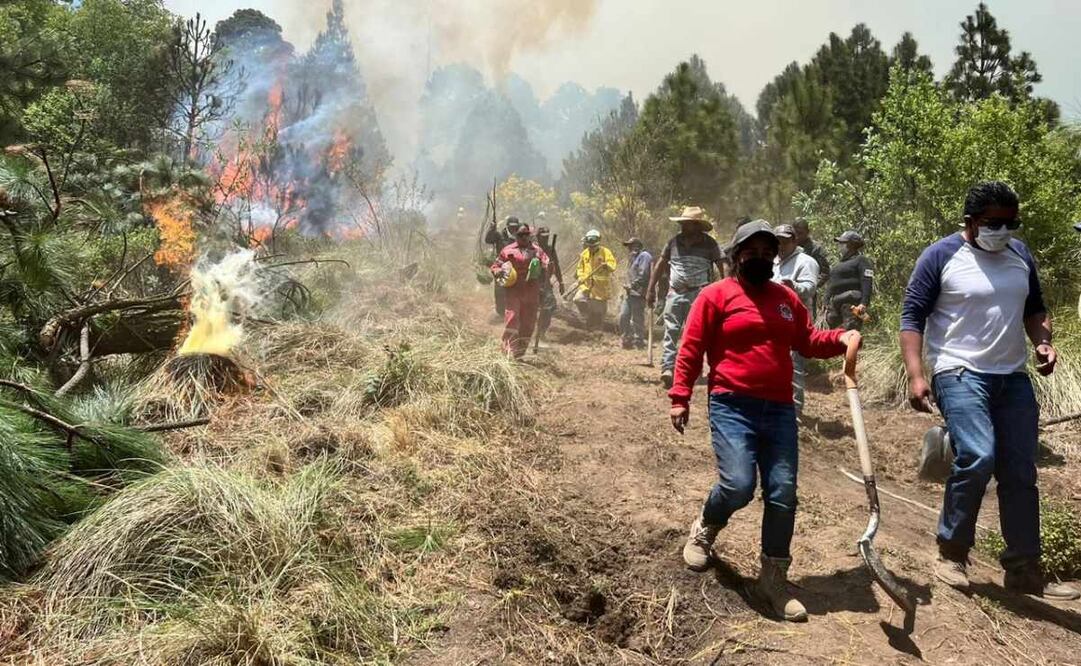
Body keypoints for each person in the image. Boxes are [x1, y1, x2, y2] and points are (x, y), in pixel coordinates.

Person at [669, 220, 858, 622]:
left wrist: (840, 338)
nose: (759, 258)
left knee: (782, 492)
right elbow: (691, 347)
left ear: (775, 257)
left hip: (778, 409)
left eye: (766, 253)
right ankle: (705, 525)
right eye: (750, 252)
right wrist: (679, 397)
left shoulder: (785, 298)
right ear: (736, 256)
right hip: (731, 404)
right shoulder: (715, 295)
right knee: (738, 485)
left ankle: (772, 580)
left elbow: (807, 340)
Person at [900, 181, 1079, 600]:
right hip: (959, 371)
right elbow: (912, 316)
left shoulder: (1020, 255)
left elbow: (1035, 309)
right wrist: (916, 373)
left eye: (1010, 222)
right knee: (978, 456)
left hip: (1011, 376)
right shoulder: (941, 256)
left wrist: (1043, 341)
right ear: (971, 221)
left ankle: (1024, 570)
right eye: (994, 223)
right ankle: (951, 553)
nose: (1003, 229)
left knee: (1019, 469)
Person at [646, 206, 725, 388]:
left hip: (700, 294)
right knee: (671, 331)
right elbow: (660, 265)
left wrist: (726, 290)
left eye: (687, 224)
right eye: (682, 223)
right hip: (675, 293)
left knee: (696, 335)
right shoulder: (673, 242)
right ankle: (668, 368)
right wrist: (651, 289)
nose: (683, 226)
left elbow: (722, 265)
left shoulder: (710, 244)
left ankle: (693, 371)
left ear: (697, 225)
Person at [772, 224, 820, 413]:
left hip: (796, 322)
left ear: (794, 241)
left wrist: (795, 287)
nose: (780, 245)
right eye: (777, 241)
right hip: (773, 321)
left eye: (784, 241)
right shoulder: (773, 261)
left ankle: (794, 412)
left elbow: (810, 287)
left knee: (793, 367)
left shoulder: (806, 261)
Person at [491, 224, 550, 359]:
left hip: (531, 290)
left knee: (528, 323)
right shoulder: (507, 250)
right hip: (514, 289)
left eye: (526, 235)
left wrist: (545, 266)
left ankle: (520, 352)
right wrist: (498, 271)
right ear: (516, 236)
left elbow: (546, 263)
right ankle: (509, 350)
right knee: (512, 319)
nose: (524, 238)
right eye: (520, 235)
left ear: (529, 235)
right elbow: (496, 265)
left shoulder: (537, 250)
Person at [825, 230, 873, 330]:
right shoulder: (839, 264)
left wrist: (863, 303)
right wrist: (826, 301)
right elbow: (831, 284)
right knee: (835, 338)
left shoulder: (861, 260)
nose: (840, 245)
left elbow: (867, 282)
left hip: (850, 304)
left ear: (851, 245)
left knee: (850, 335)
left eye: (842, 243)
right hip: (835, 306)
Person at [574, 229, 617, 331]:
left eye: (593, 246)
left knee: (599, 312)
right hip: (586, 285)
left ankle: (597, 331)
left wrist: (606, 265)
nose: (591, 248)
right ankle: (586, 316)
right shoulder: (585, 253)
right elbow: (580, 268)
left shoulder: (605, 252)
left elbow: (613, 266)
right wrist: (580, 277)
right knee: (578, 299)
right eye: (589, 246)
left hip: (600, 288)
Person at [485, 216, 523, 318]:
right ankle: (501, 312)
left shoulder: (521, 236)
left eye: (515, 227)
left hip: (517, 267)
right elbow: (488, 240)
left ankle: (516, 312)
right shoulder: (499, 235)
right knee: (500, 291)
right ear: (507, 226)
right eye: (511, 227)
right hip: (502, 266)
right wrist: (491, 230)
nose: (513, 229)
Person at [619, 237, 652, 349]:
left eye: (632, 245)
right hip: (629, 293)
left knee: (637, 318)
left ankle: (639, 341)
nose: (630, 248)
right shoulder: (633, 258)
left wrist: (632, 285)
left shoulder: (645, 256)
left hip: (638, 293)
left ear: (638, 246)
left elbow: (644, 275)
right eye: (629, 246)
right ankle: (627, 338)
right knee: (623, 315)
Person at [536, 226, 564, 348]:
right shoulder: (533, 249)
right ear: (538, 237)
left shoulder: (550, 249)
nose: (546, 239)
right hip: (533, 283)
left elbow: (556, 266)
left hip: (546, 283)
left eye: (547, 237)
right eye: (543, 237)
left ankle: (541, 330)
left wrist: (561, 283)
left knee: (550, 305)